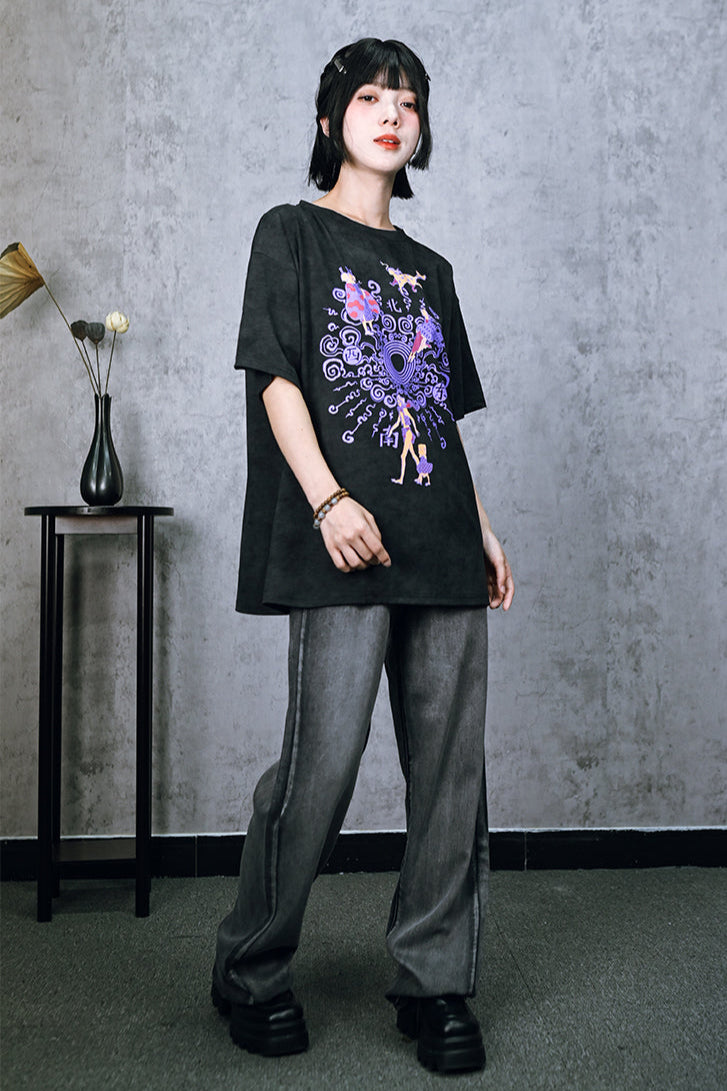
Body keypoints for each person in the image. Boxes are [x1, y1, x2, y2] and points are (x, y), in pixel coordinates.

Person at [213, 37, 514, 1075]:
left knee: (450, 776)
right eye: (372, 98)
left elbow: (439, 415)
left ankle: (434, 985)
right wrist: (329, 498)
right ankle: (251, 965)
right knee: (320, 767)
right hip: (340, 542)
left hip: (440, 542)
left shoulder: (432, 271)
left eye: (409, 102)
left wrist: (480, 527)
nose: (392, 114)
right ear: (329, 118)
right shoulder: (290, 233)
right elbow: (276, 377)